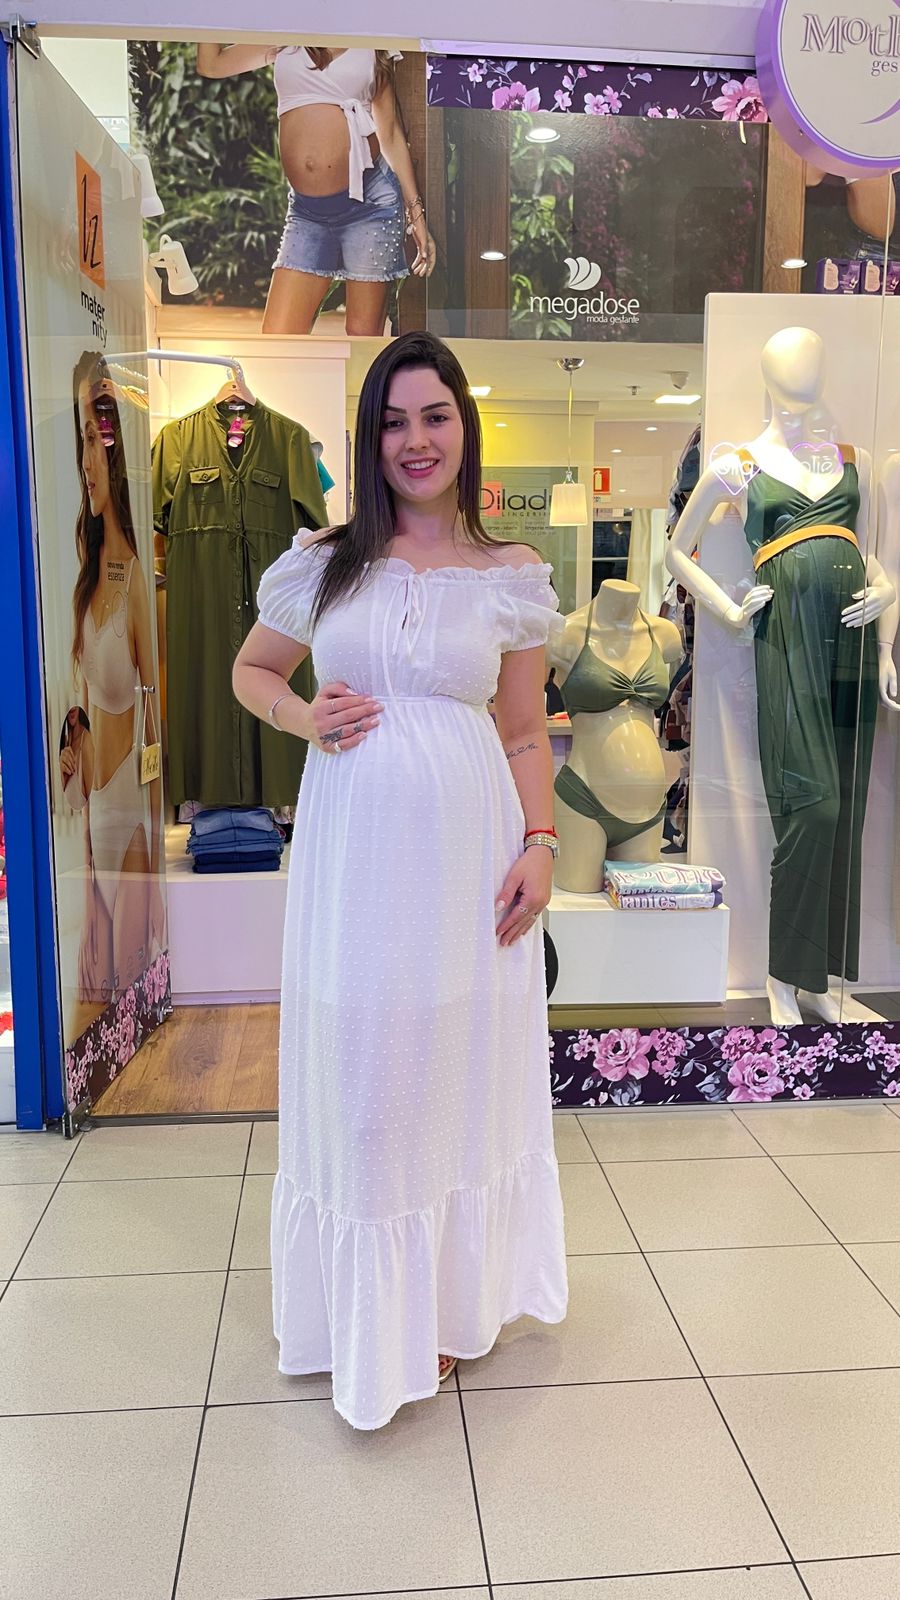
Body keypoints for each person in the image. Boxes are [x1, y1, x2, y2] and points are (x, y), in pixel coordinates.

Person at [233, 331, 569, 1430]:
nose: (415, 441)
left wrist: (541, 843)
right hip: (355, 857)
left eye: (434, 416)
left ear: (464, 427)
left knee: (453, 1067)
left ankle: (447, 1305)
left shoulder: (511, 574)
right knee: (368, 1068)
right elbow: (252, 670)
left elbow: (523, 730)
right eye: (392, 421)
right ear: (369, 439)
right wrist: (302, 715)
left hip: (470, 856)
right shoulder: (326, 560)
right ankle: (363, 1310)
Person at [196, 44, 436, 335]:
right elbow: (211, 64)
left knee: (362, 338)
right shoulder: (288, 35)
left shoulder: (373, 43)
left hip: (370, 206)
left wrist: (416, 214)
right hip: (307, 214)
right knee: (277, 337)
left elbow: (390, 134)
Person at [66, 352, 164, 1010]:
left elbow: (154, 724)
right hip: (90, 811)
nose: (85, 462)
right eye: (80, 441)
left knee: (120, 997)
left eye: (93, 441)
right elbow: (80, 706)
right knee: (90, 990)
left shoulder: (138, 585)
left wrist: (154, 875)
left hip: (129, 818)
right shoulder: (84, 564)